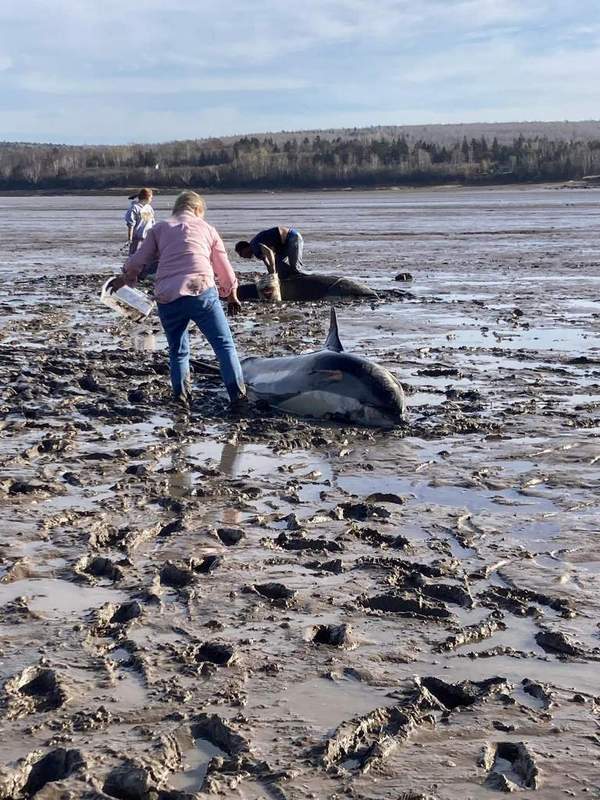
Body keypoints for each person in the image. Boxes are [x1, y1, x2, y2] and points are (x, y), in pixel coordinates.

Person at [109, 191, 246, 410]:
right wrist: (232, 295)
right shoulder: (208, 229)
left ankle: (181, 399)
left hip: (167, 295)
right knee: (223, 345)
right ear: (198, 210)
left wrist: (127, 278)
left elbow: (138, 260)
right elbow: (224, 268)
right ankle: (237, 398)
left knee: (178, 350)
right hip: (201, 291)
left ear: (177, 208)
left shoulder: (160, 229)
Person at [234, 226, 303, 280]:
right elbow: (268, 265)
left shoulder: (254, 245)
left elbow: (269, 253)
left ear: (245, 248)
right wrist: (271, 275)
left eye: (241, 254)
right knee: (281, 271)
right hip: (282, 246)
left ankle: (303, 282)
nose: (243, 257)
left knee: (295, 268)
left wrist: (273, 270)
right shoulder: (257, 253)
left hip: (292, 237)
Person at [125, 188, 155, 255]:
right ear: (146, 197)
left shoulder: (149, 208)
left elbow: (152, 224)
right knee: (134, 258)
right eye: (151, 198)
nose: (151, 199)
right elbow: (130, 225)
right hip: (137, 239)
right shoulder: (134, 208)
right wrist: (130, 239)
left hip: (148, 239)